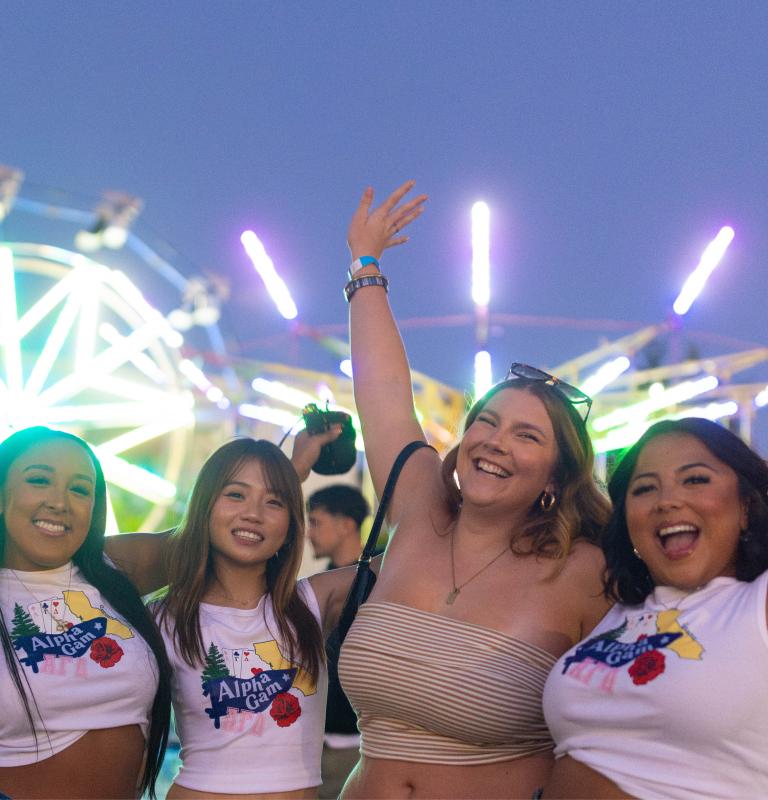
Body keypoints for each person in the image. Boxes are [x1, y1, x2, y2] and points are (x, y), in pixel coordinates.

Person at [338, 181, 613, 799]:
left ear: (557, 474)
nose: (494, 442)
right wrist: (365, 265)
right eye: (486, 422)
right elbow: (383, 396)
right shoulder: (419, 510)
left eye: (526, 435)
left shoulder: (586, 572)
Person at [541, 417, 768, 799]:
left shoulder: (755, 606)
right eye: (645, 488)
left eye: (695, 479)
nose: (667, 501)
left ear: (745, 506)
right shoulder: (612, 611)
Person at [151, 437, 365, 799]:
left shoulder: (314, 602)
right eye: (235, 495)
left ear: (292, 523)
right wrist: (289, 470)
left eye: (274, 502)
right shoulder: (164, 617)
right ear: (204, 505)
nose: (253, 514)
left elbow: (413, 551)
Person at [0, 426, 172, 800]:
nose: (59, 502)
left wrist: (292, 468)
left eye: (79, 489)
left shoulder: (111, 568)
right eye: (39, 480)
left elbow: (213, 535)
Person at [307, 485, 371, 799]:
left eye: (316, 522)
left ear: (346, 524)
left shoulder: (380, 586)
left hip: (355, 750)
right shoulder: (319, 587)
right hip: (314, 745)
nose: (309, 533)